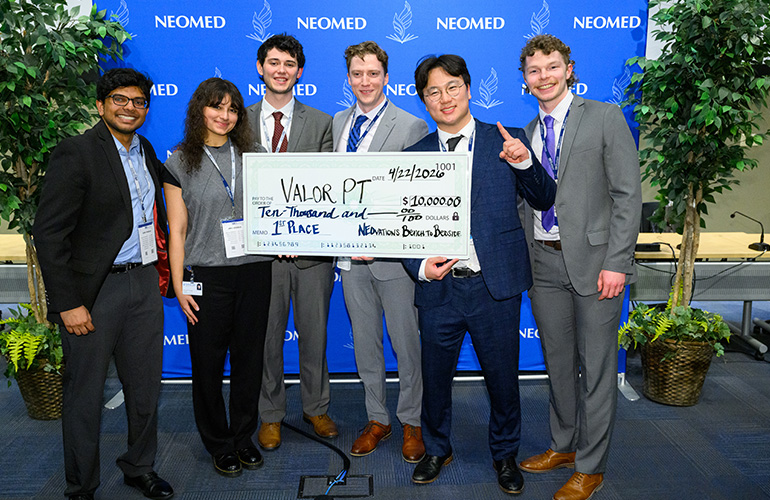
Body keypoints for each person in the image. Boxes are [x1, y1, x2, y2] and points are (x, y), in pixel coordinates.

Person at [402, 54, 556, 494]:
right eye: (433, 92)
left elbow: (545, 199)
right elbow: (399, 230)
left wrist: (525, 162)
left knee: (503, 379)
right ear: (423, 101)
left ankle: (505, 455)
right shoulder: (414, 156)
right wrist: (420, 267)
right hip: (439, 288)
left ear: (468, 89)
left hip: (495, 287)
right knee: (434, 379)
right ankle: (436, 448)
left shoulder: (504, 140)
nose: (444, 98)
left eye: (452, 87)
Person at [33, 68, 174, 500]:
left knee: (146, 387)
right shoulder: (76, 153)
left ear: (146, 109)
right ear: (100, 104)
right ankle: (82, 485)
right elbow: (49, 234)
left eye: (138, 102)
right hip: (95, 294)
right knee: (85, 395)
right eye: (120, 99)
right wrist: (68, 303)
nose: (129, 108)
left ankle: (139, 466)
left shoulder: (145, 150)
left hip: (144, 284)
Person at [516, 34, 642, 500]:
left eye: (551, 67)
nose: (543, 76)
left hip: (597, 267)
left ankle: (591, 466)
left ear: (568, 69)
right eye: (534, 70)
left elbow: (629, 197)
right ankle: (564, 445)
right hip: (543, 265)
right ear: (525, 80)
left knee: (598, 368)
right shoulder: (527, 131)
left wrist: (617, 263)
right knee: (559, 364)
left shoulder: (604, 117)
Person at [163, 78, 272, 479]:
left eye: (232, 109)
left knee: (249, 361)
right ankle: (218, 443)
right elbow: (176, 229)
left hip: (256, 271)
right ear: (199, 110)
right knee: (207, 365)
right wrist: (178, 282)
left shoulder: (255, 154)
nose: (224, 116)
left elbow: (275, 210)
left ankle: (244, 437)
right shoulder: (179, 161)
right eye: (216, 107)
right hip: (205, 276)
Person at [333, 41, 429, 463]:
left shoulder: (410, 126)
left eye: (373, 73)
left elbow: (416, 197)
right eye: (357, 74)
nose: (365, 81)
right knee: (366, 344)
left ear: (386, 78)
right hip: (348, 260)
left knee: (406, 344)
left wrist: (385, 241)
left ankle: (411, 421)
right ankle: (378, 418)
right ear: (348, 78)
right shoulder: (338, 121)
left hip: (392, 261)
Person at [245, 34, 337, 449]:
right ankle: (271, 413)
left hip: (312, 253)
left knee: (314, 334)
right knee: (266, 337)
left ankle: (316, 407)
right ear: (261, 67)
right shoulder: (237, 121)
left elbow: (327, 187)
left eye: (289, 63)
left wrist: (302, 233)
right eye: (273, 62)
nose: (281, 70)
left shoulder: (322, 122)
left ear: (300, 71)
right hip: (260, 254)